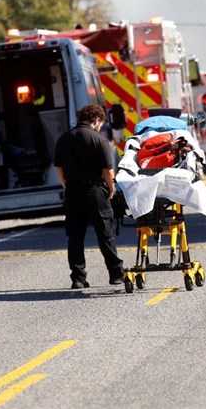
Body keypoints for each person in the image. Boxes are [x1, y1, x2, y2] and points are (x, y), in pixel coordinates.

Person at [54, 104, 124, 288]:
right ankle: (116, 274)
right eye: (101, 123)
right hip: (95, 192)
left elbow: (58, 168)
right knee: (105, 233)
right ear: (96, 119)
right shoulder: (99, 140)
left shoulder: (63, 139)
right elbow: (107, 170)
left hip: (73, 192)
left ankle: (78, 278)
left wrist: (67, 186)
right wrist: (112, 189)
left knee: (75, 236)